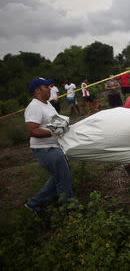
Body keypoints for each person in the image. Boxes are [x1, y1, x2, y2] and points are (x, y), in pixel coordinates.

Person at [24, 77, 78, 220]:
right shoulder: (34, 106)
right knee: (64, 179)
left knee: (59, 177)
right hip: (45, 149)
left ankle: (33, 203)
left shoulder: (47, 104)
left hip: (53, 146)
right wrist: (54, 132)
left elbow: (54, 122)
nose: (50, 88)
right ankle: (70, 211)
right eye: (46, 86)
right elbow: (32, 130)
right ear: (37, 90)